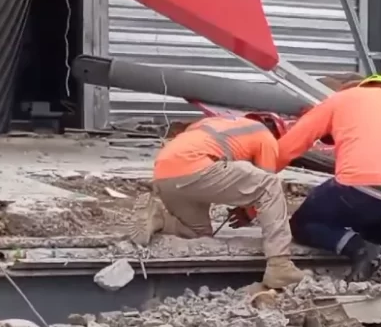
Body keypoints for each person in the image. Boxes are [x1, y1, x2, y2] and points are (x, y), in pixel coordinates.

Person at [129, 114, 305, 289]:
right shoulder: (266, 136)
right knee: (270, 185)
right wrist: (247, 212)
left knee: (196, 232)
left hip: (164, 173)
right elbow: (265, 184)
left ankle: (159, 218)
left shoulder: (213, 123)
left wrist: (245, 206)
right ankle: (279, 265)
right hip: (196, 167)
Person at [275, 75, 381, 282]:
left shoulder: (342, 99)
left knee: (303, 222)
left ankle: (361, 250)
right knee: (374, 216)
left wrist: (254, 195)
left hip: (361, 189)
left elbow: (284, 150)